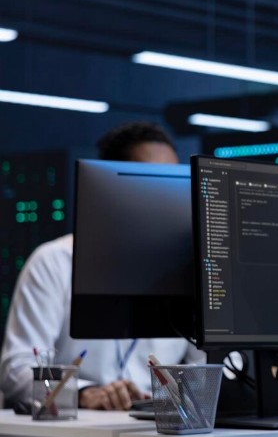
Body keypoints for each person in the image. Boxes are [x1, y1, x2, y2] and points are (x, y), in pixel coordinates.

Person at [0, 121, 204, 411]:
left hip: (160, 427)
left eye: (172, 181)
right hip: (82, 432)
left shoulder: (186, 269)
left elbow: (210, 363)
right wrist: (82, 392)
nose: (163, 194)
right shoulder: (55, 260)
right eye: (149, 179)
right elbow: (16, 369)